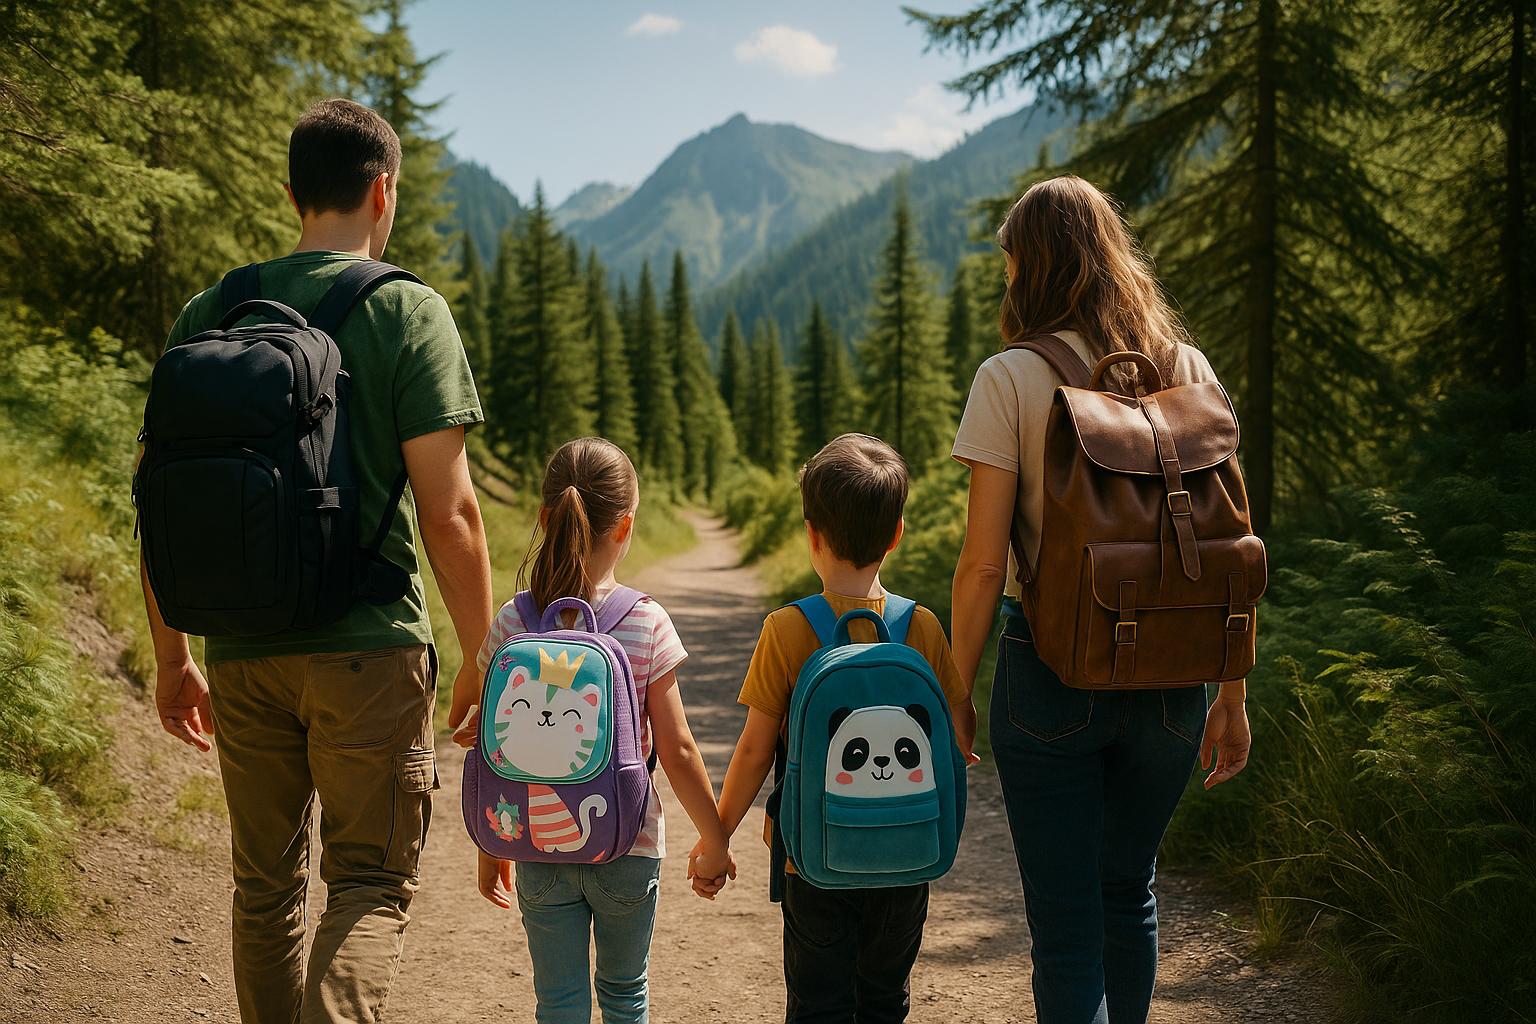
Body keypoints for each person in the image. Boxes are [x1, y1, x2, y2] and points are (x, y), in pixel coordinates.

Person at [141, 98, 494, 1023]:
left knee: (265, 892)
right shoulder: (408, 310)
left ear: (294, 192)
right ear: (383, 191)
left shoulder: (209, 311)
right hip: (370, 651)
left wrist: (174, 657)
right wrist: (481, 654)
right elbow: (450, 512)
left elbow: (161, 500)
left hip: (242, 650)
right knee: (370, 884)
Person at [948, 175, 1253, 1024]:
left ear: (1034, 269)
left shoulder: (1010, 377)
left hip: (1049, 670)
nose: (1006, 281)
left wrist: (956, 690)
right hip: (1175, 675)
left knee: (1066, 920)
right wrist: (1230, 696)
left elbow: (980, 565)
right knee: (1130, 892)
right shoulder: (1187, 369)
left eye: (1010, 265)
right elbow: (1229, 547)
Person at [454, 436, 734, 1024]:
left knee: (557, 1002)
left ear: (543, 518)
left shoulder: (515, 620)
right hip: (627, 840)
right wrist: (714, 838)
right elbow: (679, 749)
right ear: (625, 525)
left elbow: (491, 741)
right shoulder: (645, 620)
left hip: (534, 835)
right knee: (625, 994)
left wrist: (493, 843)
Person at [711, 433, 976, 1024]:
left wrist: (717, 836)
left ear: (812, 533)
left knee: (818, 1003)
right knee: (884, 998)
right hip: (907, 849)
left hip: (812, 856)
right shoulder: (922, 627)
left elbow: (756, 749)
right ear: (897, 534)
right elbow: (958, 731)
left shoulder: (787, 630)